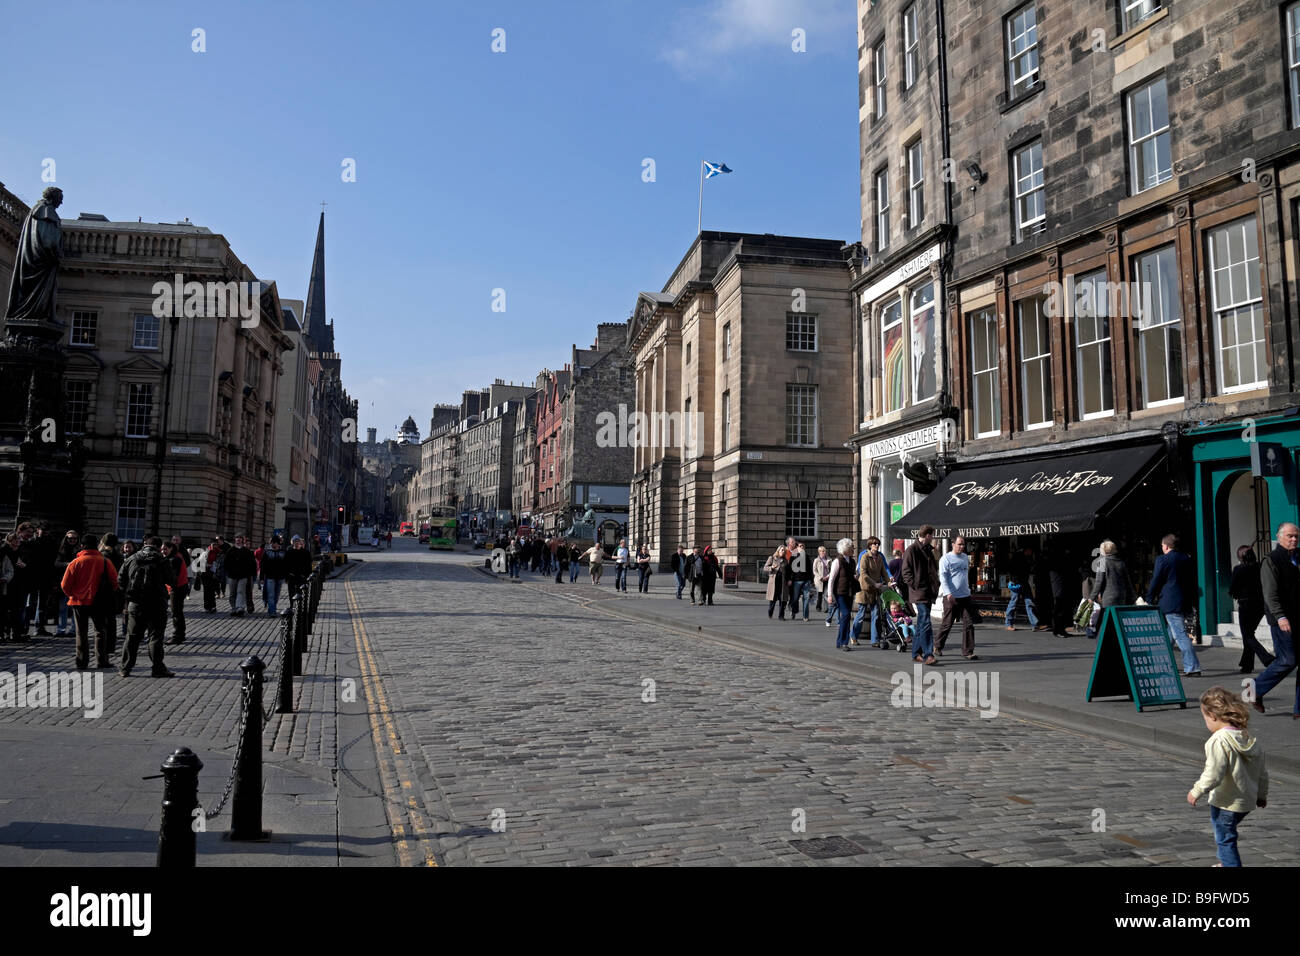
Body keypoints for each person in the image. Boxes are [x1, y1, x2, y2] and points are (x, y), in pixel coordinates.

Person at [1187, 686, 1268, 867]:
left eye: (1205, 718)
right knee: (1226, 832)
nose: (1206, 723)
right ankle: (1226, 861)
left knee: (1224, 837)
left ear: (1213, 716)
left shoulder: (1218, 740)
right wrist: (1261, 795)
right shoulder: (1246, 736)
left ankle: (1230, 864)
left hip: (1226, 801)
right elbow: (1262, 772)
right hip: (1245, 801)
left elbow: (1214, 773)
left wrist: (1196, 790)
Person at [1255, 522, 1300, 718]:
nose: (1294, 539)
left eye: (1296, 536)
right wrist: (1280, 616)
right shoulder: (1271, 560)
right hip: (1282, 618)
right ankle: (1254, 690)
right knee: (1287, 660)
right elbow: (1270, 593)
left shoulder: (1297, 557)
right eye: (1290, 536)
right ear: (1279, 537)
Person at [119, 536, 176, 678]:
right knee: (155, 637)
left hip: (136, 603)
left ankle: (125, 668)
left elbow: (120, 579)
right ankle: (157, 668)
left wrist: (127, 593)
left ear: (145, 545)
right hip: (157, 603)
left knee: (132, 637)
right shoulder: (162, 560)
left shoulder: (132, 558)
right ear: (158, 547)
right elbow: (172, 580)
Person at [60, 534, 119, 670]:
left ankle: (82, 661)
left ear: (82, 546)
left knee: (81, 632)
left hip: (79, 602)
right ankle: (102, 660)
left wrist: (73, 595)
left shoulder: (76, 562)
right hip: (99, 601)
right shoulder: (105, 561)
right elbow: (115, 582)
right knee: (100, 631)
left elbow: (64, 584)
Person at [1146, 533, 1201, 677]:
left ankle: (1193, 667)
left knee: (1180, 634)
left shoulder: (1163, 560)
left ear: (1165, 546)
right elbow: (1192, 581)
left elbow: (1156, 580)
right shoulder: (1186, 559)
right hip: (1183, 600)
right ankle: (1162, 663)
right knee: (1170, 633)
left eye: (1162, 545)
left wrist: (1149, 598)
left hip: (1170, 601)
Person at [1229, 546, 1274, 674]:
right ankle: (1247, 665)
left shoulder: (1238, 569)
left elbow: (1233, 589)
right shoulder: (1260, 567)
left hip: (1246, 605)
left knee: (1247, 635)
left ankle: (1267, 658)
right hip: (1260, 605)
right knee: (1248, 634)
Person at [901, 526, 939, 666]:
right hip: (919, 592)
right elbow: (905, 571)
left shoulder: (929, 550)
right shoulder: (912, 549)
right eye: (932, 535)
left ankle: (916, 652)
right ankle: (928, 654)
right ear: (927, 535)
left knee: (922, 622)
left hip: (929, 591)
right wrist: (914, 585)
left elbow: (935, 567)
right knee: (926, 621)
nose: (933, 538)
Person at [936, 535, 979, 660]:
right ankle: (937, 646)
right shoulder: (946, 559)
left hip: (965, 595)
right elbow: (943, 578)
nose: (962, 547)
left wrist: (969, 590)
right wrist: (948, 593)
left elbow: (965, 575)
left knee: (969, 623)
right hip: (951, 596)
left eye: (963, 544)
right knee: (947, 623)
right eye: (959, 544)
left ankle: (968, 651)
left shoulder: (965, 557)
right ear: (953, 544)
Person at [1087, 540, 1134, 639]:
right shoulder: (1121, 562)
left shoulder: (1102, 562)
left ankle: (1103, 641)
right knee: (1117, 620)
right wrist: (1134, 596)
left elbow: (1099, 582)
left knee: (1106, 621)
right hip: (1121, 596)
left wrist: (1092, 597)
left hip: (1108, 597)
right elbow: (1128, 581)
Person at [850, 538, 888, 645]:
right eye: (874, 544)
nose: (876, 545)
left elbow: (884, 572)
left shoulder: (879, 557)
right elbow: (863, 574)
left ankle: (875, 640)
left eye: (877, 544)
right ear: (870, 545)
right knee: (861, 614)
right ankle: (853, 636)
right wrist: (874, 583)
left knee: (875, 614)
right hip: (864, 589)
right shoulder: (865, 557)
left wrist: (889, 582)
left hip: (875, 591)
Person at [825, 538, 858, 650]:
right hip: (840, 593)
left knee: (845, 617)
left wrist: (855, 577)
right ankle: (844, 642)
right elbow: (831, 579)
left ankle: (839, 641)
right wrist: (829, 595)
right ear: (846, 549)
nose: (853, 549)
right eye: (851, 547)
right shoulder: (837, 561)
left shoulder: (852, 561)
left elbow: (852, 575)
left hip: (849, 592)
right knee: (846, 615)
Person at [1006, 544, 1045, 631]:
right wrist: (1015, 580)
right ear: (1027, 550)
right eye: (1030, 551)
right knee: (1015, 603)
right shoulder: (1019, 557)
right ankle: (1009, 623)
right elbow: (1012, 569)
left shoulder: (1023, 557)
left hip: (1022, 582)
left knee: (1028, 602)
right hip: (1018, 583)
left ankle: (1034, 624)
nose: (1031, 553)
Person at [161, 540, 190, 643]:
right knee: (177, 611)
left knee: (176, 612)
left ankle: (178, 635)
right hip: (179, 587)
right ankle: (180, 634)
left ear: (171, 548)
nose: (163, 551)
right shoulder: (174, 557)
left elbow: (172, 577)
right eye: (162, 549)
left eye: (165, 549)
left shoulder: (174, 560)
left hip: (178, 588)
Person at [53, 529, 79, 636]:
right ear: (66, 539)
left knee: (75, 608)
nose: (72, 540)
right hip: (64, 582)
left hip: (76, 583)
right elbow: (56, 564)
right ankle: (61, 629)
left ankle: (73, 629)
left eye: (74, 538)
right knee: (62, 607)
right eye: (70, 538)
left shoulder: (79, 550)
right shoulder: (61, 550)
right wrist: (68, 565)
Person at [224, 535, 256, 617]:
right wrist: (228, 571)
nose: (238, 541)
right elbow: (226, 562)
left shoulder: (246, 551)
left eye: (240, 540)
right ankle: (233, 607)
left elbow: (252, 563)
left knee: (240, 591)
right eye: (237, 540)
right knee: (232, 593)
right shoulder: (230, 550)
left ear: (242, 541)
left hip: (243, 575)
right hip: (232, 575)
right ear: (235, 540)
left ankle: (239, 607)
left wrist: (251, 573)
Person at [259, 536, 287, 615]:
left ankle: (273, 607)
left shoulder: (283, 552)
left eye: (275, 543)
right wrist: (261, 577)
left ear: (278, 543)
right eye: (272, 543)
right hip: (270, 577)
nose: (273, 544)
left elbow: (286, 565)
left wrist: (286, 576)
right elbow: (262, 566)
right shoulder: (267, 552)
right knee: (271, 594)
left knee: (277, 594)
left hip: (280, 577)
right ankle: (272, 611)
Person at [764, 545, 791, 619]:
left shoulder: (785, 560)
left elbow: (788, 571)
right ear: (778, 551)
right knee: (773, 599)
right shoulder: (772, 558)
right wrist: (771, 568)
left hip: (782, 582)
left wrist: (789, 580)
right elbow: (765, 567)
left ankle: (781, 616)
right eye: (782, 550)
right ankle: (770, 612)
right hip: (774, 582)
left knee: (782, 600)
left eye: (784, 551)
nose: (783, 551)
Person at [790, 542, 815, 622]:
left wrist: (812, 580)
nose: (801, 547)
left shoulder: (807, 557)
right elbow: (790, 569)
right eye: (800, 546)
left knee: (806, 599)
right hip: (796, 581)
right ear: (797, 548)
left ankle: (805, 616)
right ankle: (794, 611)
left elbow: (810, 569)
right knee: (795, 598)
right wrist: (790, 579)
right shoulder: (793, 556)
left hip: (806, 580)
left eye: (803, 546)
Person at [812, 545, 832, 614]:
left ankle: (826, 608)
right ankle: (818, 606)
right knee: (820, 593)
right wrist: (820, 577)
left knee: (826, 593)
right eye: (822, 551)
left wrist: (828, 576)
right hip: (819, 579)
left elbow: (831, 570)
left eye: (824, 551)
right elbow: (814, 571)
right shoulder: (816, 560)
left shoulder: (829, 559)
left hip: (827, 578)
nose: (823, 552)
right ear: (819, 552)